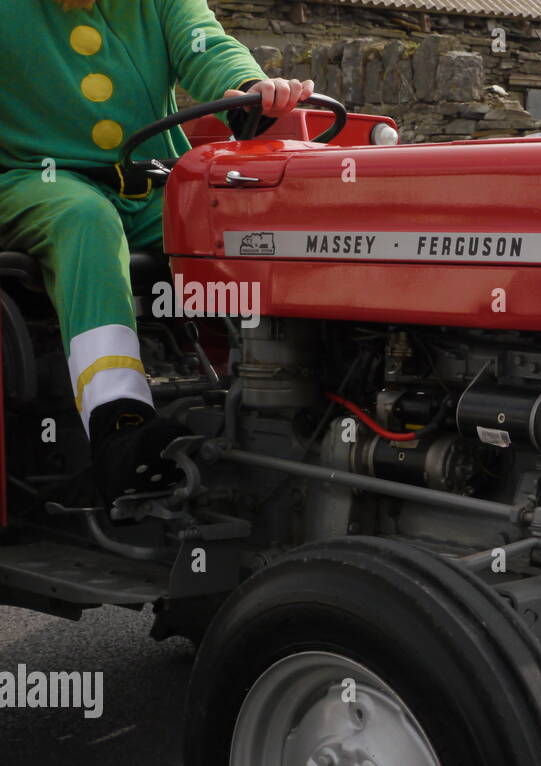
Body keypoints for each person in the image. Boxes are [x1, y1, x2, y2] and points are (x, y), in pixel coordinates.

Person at [0, 0, 315, 501]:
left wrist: (250, 87)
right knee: (85, 218)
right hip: (32, 182)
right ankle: (119, 423)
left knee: (249, 220)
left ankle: (294, 398)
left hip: (148, 185)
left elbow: (206, 43)